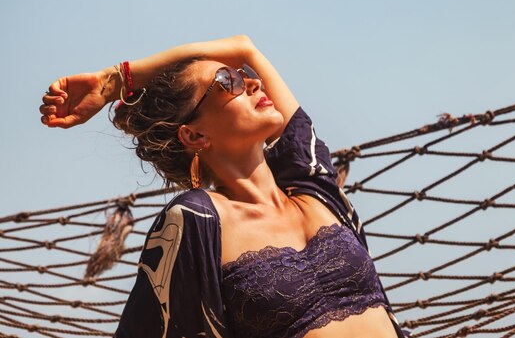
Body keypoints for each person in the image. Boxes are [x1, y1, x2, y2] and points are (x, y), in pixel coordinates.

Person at [39, 35, 410, 338]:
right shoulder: (197, 218)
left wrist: (113, 81)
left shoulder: (311, 184)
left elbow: (245, 47)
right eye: (226, 81)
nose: (251, 81)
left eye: (243, 75)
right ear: (194, 134)